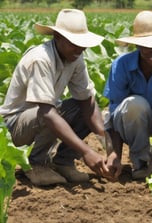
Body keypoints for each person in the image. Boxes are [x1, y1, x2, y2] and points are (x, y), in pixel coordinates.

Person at [0, 9, 111, 186]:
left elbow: (87, 101)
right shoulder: (41, 59)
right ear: (58, 37)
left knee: (81, 107)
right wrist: (86, 152)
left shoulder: (75, 57)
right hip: (14, 126)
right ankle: (37, 163)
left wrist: (107, 143)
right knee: (50, 113)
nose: (80, 48)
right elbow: (46, 112)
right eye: (74, 42)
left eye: (82, 43)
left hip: (41, 116)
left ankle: (63, 161)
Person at [103, 10, 152, 180]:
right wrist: (114, 153)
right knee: (136, 104)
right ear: (137, 46)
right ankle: (141, 163)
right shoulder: (122, 65)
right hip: (129, 124)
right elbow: (114, 109)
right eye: (147, 46)